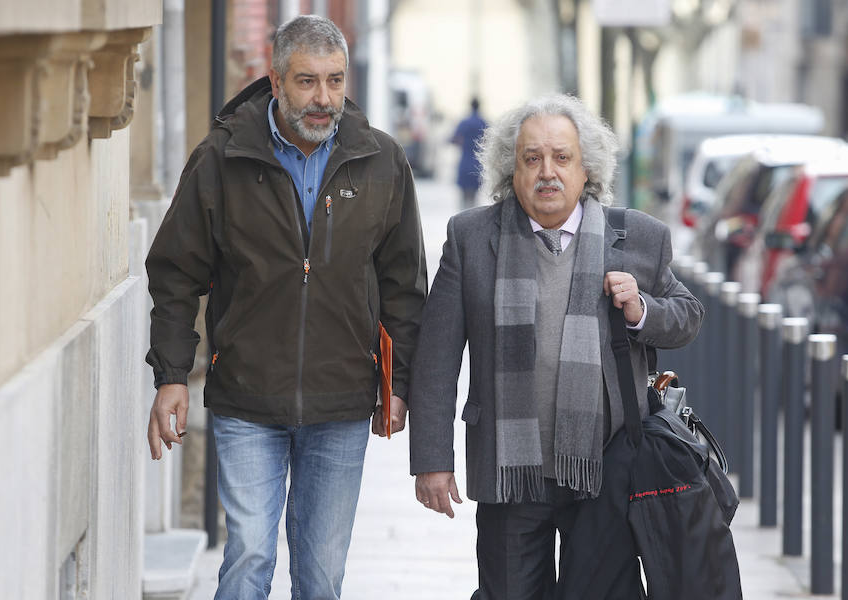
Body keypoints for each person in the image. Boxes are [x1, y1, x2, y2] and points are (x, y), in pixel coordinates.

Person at [144, 15, 427, 600]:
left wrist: (398, 383)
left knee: (321, 577)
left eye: (334, 80)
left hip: (342, 401)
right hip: (247, 397)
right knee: (248, 555)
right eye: (307, 81)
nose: (324, 98)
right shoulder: (222, 157)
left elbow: (404, 285)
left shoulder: (382, 161)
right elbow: (175, 271)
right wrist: (172, 375)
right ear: (275, 82)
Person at [408, 93, 704, 598]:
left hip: (606, 468)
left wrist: (641, 310)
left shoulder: (636, 237)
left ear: (586, 169)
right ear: (512, 170)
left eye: (562, 157)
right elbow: (436, 359)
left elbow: (688, 317)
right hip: (508, 471)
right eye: (532, 158)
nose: (548, 172)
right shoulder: (471, 238)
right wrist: (432, 460)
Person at [451, 97, 487, 210]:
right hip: (477, 163)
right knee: (474, 198)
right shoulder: (483, 122)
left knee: (463, 197)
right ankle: (472, 217)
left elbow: (454, 139)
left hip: (465, 161)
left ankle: (462, 218)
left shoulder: (464, 123)